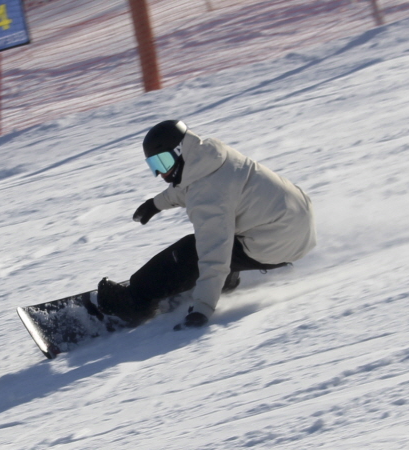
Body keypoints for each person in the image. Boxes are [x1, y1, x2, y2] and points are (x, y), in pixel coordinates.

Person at [97, 119, 316, 329]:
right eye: (154, 165)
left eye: (163, 162)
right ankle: (227, 280)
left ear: (179, 151)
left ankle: (135, 301)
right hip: (297, 226)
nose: (160, 173)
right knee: (224, 231)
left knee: (190, 252)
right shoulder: (212, 158)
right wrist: (155, 204)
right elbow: (189, 186)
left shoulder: (207, 194)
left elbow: (214, 255)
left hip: (274, 244)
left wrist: (202, 308)